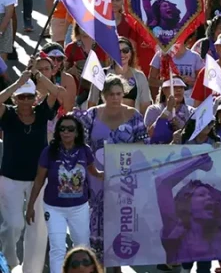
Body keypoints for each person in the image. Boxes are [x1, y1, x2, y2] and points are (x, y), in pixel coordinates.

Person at [78, 75, 148, 262]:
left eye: (119, 94)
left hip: (125, 180)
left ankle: (117, 264)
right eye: (111, 94)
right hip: (95, 178)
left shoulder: (134, 116)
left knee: (120, 224)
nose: (115, 98)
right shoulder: (91, 115)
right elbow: (81, 145)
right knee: (96, 222)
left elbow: (143, 146)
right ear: (103, 95)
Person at [0, 70, 61, 273]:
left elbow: (57, 93)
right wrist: (18, 83)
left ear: (35, 98)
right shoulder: (7, 114)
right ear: (16, 98)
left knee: (38, 227)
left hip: (39, 179)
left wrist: (39, 76)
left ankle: (31, 271)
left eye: (29, 96)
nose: (25, 101)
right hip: (10, 178)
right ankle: (10, 261)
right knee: (14, 224)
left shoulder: (42, 113)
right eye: (21, 97)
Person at [26, 114, 102, 271]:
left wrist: (114, 172)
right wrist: (30, 206)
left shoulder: (84, 151)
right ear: (58, 132)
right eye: (62, 129)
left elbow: (94, 172)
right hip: (54, 209)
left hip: (79, 208)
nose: (66, 132)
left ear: (77, 132)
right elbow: (39, 180)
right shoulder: (49, 152)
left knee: (83, 248)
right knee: (57, 248)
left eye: (70, 129)